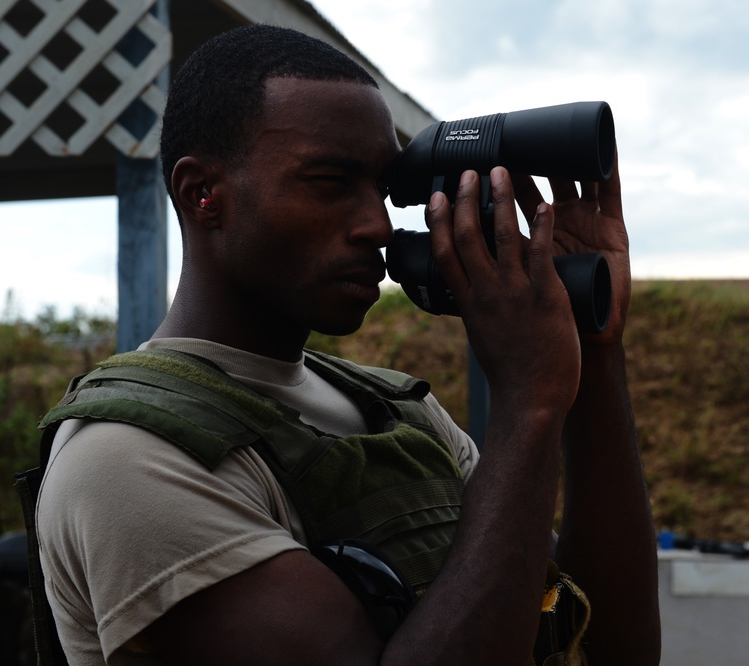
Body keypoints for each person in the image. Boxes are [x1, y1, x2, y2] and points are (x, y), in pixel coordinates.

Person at [34, 24, 661, 665]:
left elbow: (611, 647)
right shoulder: (128, 456)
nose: (379, 225)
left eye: (385, 190)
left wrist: (595, 349)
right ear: (204, 195)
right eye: (331, 183)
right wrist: (527, 405)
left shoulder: (398, 412)